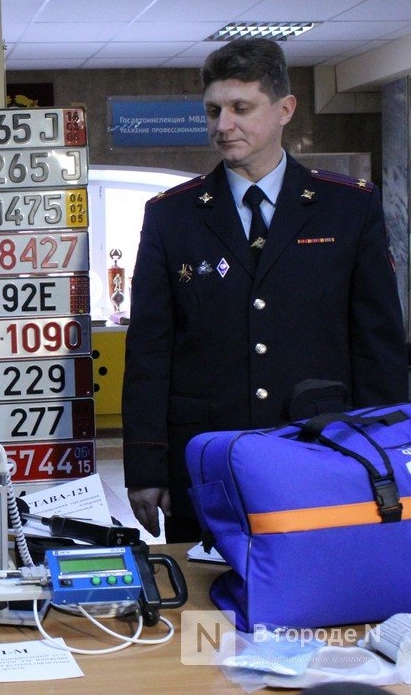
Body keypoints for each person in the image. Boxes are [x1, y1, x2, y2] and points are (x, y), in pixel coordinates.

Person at [122, 38, 407, 542]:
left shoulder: (347, 208)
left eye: (240, 108)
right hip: (209, 457)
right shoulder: (172, 216)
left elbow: (377, 345)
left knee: (324, 599)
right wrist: (145, 468)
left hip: (323, 453)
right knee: (204, 614)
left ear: (285, 109)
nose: (223, 125)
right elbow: (149, 350)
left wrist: (384, 454)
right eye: (213, 111)